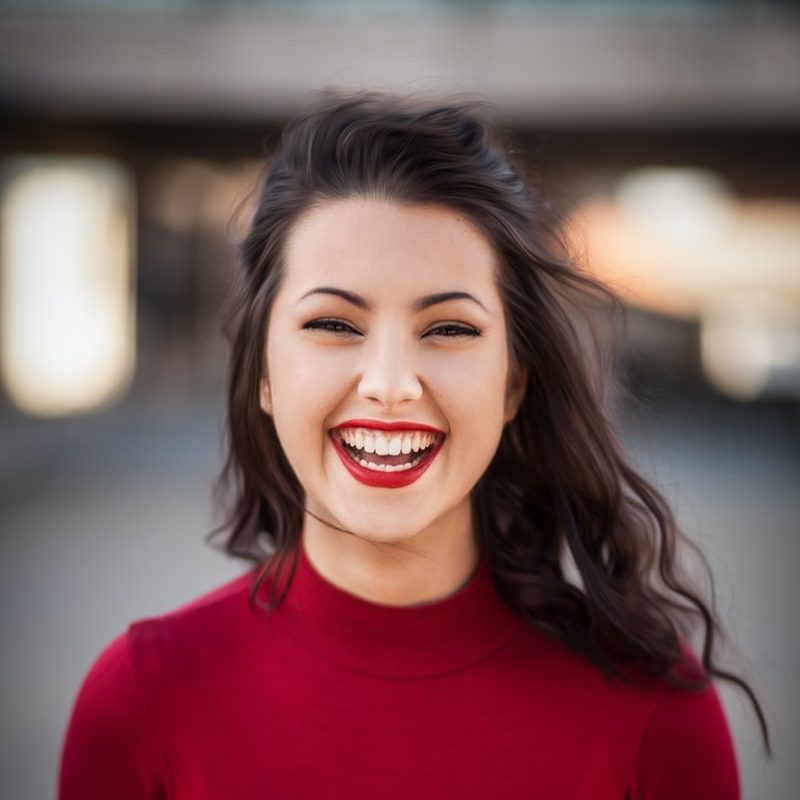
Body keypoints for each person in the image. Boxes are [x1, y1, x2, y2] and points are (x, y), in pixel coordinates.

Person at [59, 89, 768, 799]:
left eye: (449, 329)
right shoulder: (141, 702)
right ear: (263, 375)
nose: (392, 385)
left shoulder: (655, 709)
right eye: (334, 324)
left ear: (514, 383)